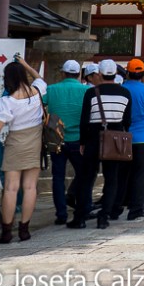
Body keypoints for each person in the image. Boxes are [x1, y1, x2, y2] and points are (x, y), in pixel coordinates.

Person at [0, 58, 47, 242]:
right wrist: (26, 65)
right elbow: (39, 77)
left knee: (11, 188)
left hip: (15, 144)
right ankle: (24, 229)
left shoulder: (8, 101)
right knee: (30, 187)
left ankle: (6, 231)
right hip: (34, 143)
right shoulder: (37, 92)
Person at [69, 59, 132, 230]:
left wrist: (82, 142)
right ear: (115, 74)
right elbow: (127, 120)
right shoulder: (125, 93)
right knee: (111, 179)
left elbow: (84, 120)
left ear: (99, 74)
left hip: (93, 138)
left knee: (86, 179)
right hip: (115, 139)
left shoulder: (92, 93)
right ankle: (104, 217)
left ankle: (80, 217)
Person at [113, 58, 144, 221]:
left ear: (127, 73)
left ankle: (115, 207)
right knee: (140, 175)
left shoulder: (120, 90)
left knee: (121, 175)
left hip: (122, 138)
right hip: (142, 138)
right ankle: (136, 209)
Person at [43, 60, 87, 225]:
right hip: (78, 140)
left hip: (57, 141)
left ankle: (61, 214)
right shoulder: (85, 90)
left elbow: (41, 105)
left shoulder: (51, 89)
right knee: (83, 176)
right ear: (79, 74)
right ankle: (83, 209)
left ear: (62, 73)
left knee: (58, 177)